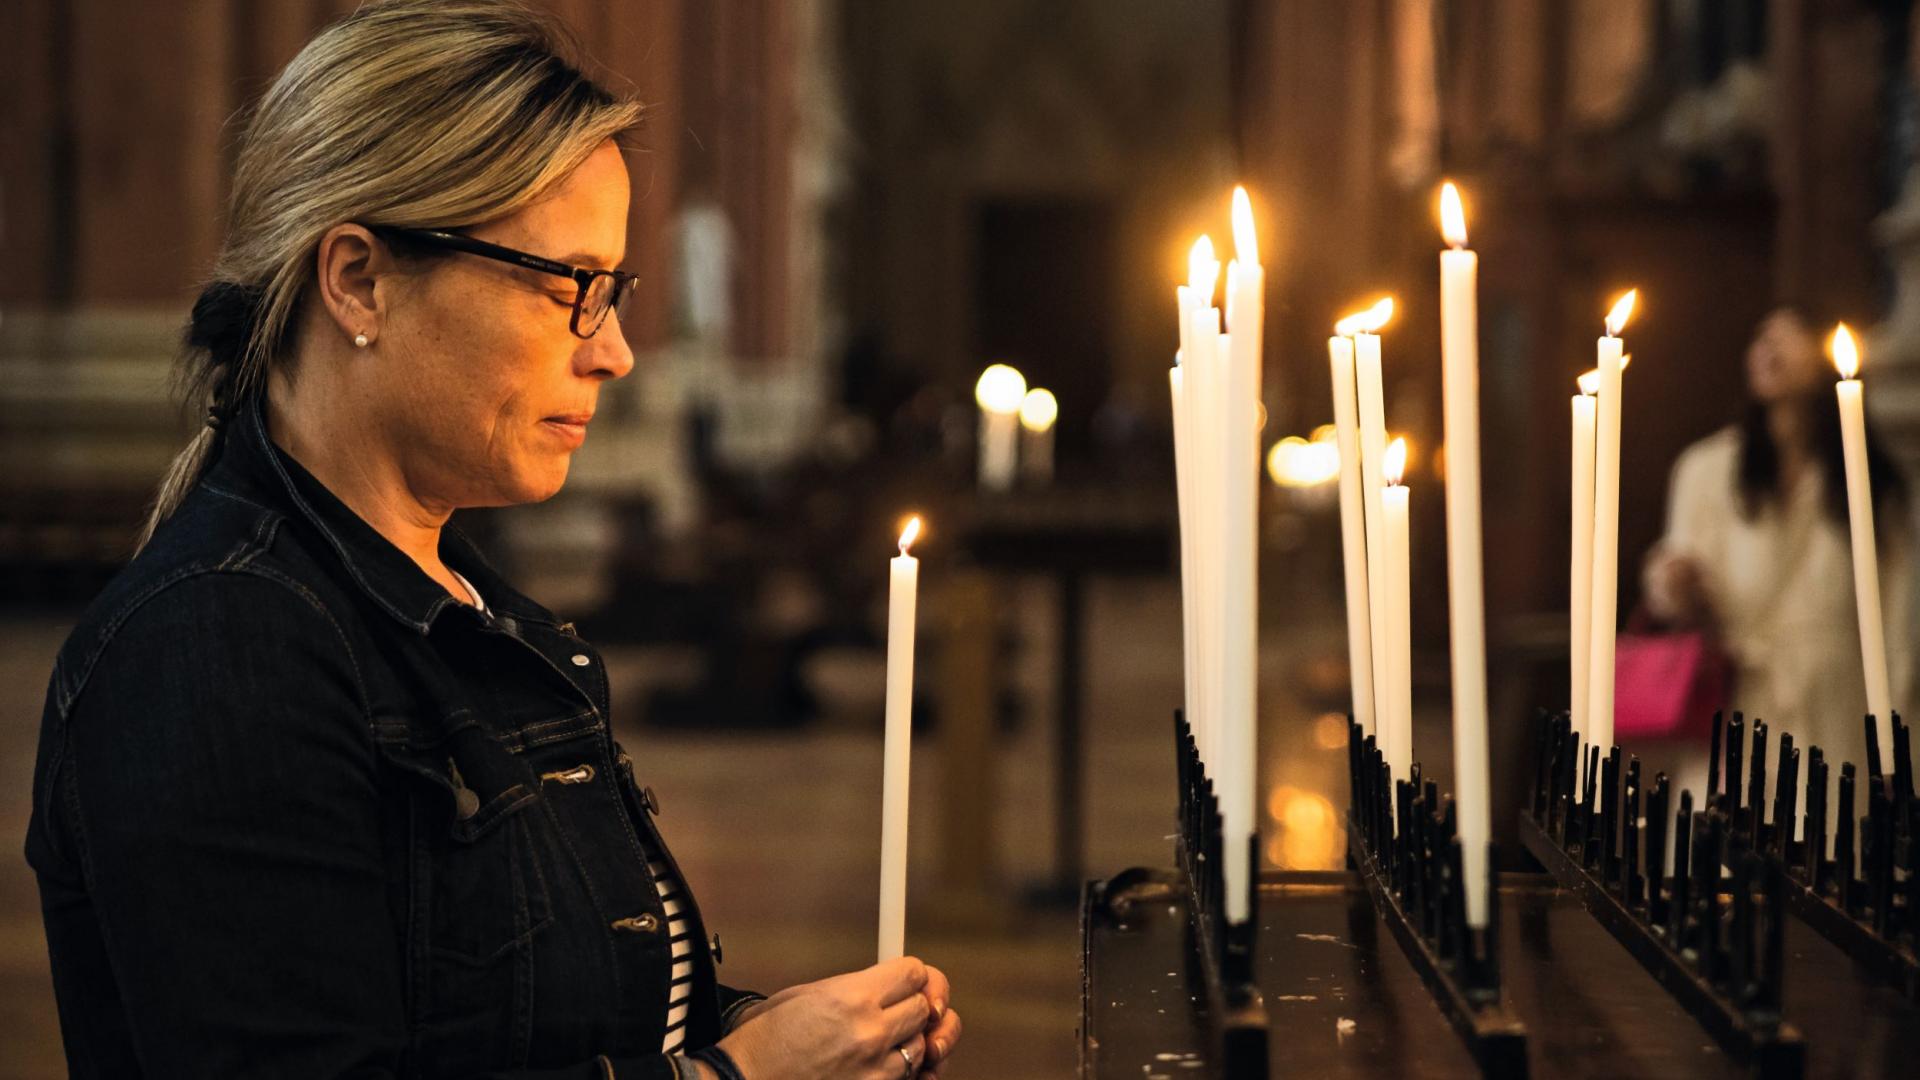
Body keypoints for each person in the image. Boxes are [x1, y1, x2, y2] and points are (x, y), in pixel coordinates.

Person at [23, 3, 962, 1077]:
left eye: (614, 291)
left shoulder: (481, 617)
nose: (612, 353)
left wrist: (756, 1032)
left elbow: (547, 1020)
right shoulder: (212, 651)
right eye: (570, 288)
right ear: (360, 280)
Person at [1641, 304, 1912, 786]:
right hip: (1738, 699)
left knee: (1826, 840)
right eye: (1762, 336)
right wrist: (1675, 583)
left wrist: (1896, 723)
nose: (1771, 347)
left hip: (1834, 707)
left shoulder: (1866, 477)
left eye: (1791, 336)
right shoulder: (1706, 468)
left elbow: (1895, 607)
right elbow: (1674, 571)